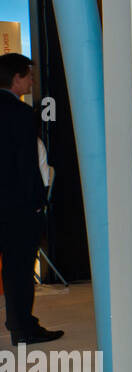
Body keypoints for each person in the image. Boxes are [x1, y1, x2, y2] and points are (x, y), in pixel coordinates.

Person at [0, 53, 63, 346]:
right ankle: (22, 327)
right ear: (16, 79)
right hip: (17, 208)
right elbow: (27, 167)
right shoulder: (22, 116)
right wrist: (39, 202)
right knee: (19, 270)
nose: (32, 79)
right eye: (28, 74)